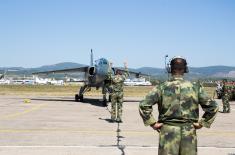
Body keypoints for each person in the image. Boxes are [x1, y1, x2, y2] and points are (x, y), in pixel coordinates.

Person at [139, 56, 218, 155]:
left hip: (168, 131)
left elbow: (144, 105)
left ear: (170, 69)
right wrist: (202, 123)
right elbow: (213, 106)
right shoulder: (195, 87)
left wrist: (152, 123)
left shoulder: (161, 87)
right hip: (189, 131)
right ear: (185, 69)